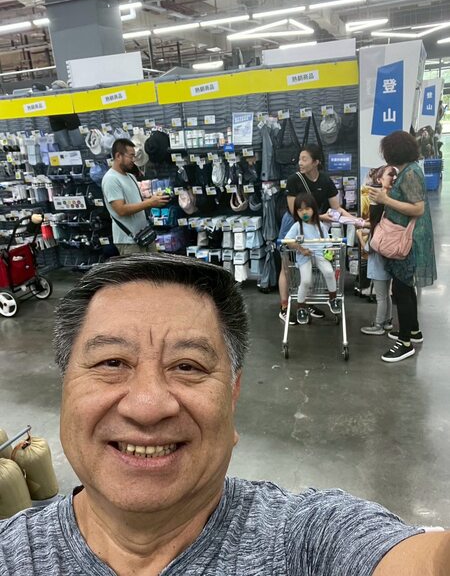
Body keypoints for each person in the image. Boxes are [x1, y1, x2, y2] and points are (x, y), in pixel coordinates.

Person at [1, 253, 449, 575]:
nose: (148, 405)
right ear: (65, 387)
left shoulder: (305, 543)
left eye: (188, 366)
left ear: (232, 396)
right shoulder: (12, 556)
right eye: (112, 362)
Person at [368, 130, 437, 363]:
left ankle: (405, 343)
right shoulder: (408, 171)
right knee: (404, 288)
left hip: (408, 240)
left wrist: (385, 200)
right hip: (406, 237)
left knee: (402, 290)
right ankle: (413, 331)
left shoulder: (411, 173)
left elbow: (418, 208)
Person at [279, 144, 356, 324]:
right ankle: (284, 307)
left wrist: (355, 220)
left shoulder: (325, 181)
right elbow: (294, 211)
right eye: (299, 159)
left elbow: (336, 208)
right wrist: (319, 217)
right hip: (295, 223)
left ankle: (308, 303)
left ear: (316, 162)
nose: (300, 162)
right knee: (287, 267)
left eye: (304, 159)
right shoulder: (294, 180)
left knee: (314, 269)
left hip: (316, 226)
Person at [102, 138, 170, 255]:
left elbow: (136, 202)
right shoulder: (111, 179)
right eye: (131, 156)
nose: (133, 160)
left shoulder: (130, 177)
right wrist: (150, 203)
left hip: (145, 236)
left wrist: (153, 199)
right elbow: (121, 210)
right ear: (118, 156)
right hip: (129, 241)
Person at [284, 192, 341, 324]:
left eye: (307, 209)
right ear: (296, 212)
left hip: (320, 254)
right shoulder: (297, 226)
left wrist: (330, 251)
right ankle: (301, 306)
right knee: (305, 281)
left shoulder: (320, 225)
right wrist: (301, 249)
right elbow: (288, 241)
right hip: (304, 256)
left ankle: (332, 298)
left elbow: (328, 243)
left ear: (313, 209)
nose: (304, 212)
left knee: (329, 272)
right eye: (300, 210)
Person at [359, 166, 396, 335]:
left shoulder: (380, 201)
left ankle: (379, 325)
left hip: (378, 254)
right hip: (389, 252)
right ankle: (387, 321)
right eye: (390, 174)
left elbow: (373, 235)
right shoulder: (393, 200)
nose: (393, 177)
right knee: (386, 293)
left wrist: (361, 237)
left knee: (381, 296)